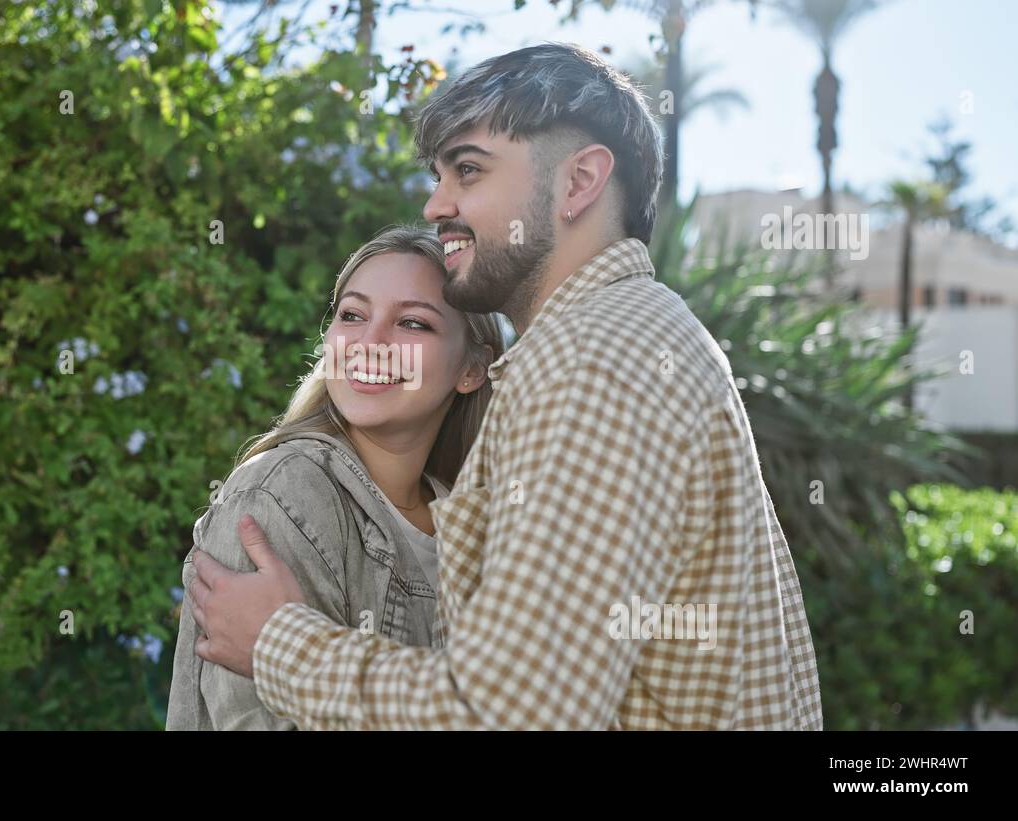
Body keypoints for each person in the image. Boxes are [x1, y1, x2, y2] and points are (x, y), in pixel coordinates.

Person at [187, 42, 824, 730]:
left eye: (468, 170)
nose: (436, 204)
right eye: (438, 174)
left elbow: (511, 713)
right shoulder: (640, 335)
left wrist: (279, 642)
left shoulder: (593, 358)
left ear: (580, 182)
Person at [166, 225, 502, 729]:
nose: (370, 343)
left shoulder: (477, 525)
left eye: (412, 323)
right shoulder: (282, 494)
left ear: (473, 369)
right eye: (352, 315)